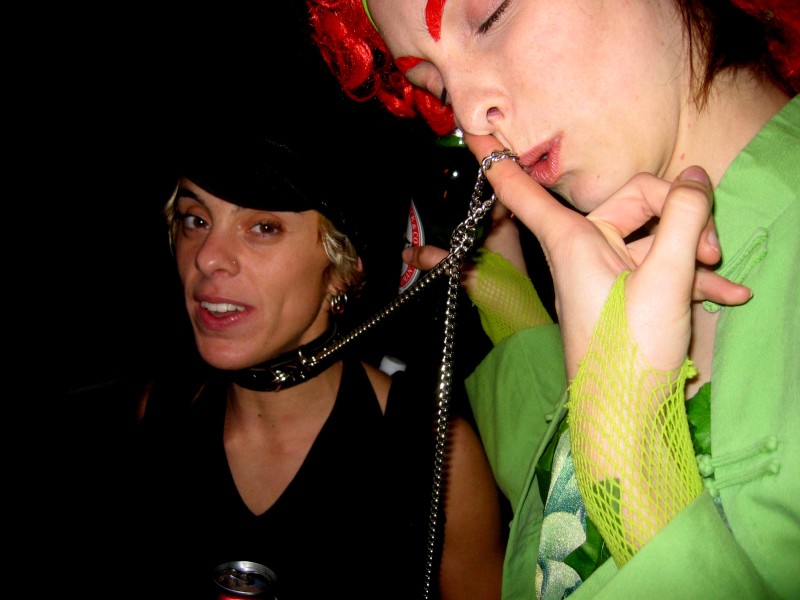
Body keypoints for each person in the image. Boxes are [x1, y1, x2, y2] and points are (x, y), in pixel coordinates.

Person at [305, 0, 800, 598]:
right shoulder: (635, 262)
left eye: (490, 15)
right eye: (437, 83)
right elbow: (561, 542)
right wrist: (517, 320)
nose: (468, 113)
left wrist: (632, 453)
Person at [125, 133, 506, 599]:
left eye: (263, 227)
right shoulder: (162, 411)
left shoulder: (436, 453)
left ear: (340, 266)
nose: (207, 257)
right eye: (195, 219)